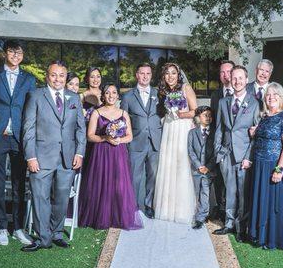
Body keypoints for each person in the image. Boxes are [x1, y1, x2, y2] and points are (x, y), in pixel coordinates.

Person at [21, 61, 86, 251]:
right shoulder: (35, 96)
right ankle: (43, 238)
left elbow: (80, 129)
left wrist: (79, 152)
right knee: (40, 197)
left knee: (62, 198)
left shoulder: (74, 98)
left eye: (61, 75)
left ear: (66, 77)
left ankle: (57, 233)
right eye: (53, 75)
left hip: (68, 157)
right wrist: (30, 156)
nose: (57, 79)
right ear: (46, 76)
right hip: (41, 157)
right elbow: (28, 128)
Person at [0, 40, 37, 246]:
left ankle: (18, 228)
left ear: (22, 55)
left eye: (19, 52)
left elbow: (32, 110)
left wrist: (31, 137)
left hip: (20, 138)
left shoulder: (29, 79)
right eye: (12, 52)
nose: (15, 55)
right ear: (5, 53)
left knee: (19, 184)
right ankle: (2, 227)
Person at [78, 84, 143, 230]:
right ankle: (101, 216)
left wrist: (119, 140)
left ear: (118, 96)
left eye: (114, 92)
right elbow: (90, 136)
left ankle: (117, 216)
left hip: (118, 153)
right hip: (101, 153)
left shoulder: (123, 113)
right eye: (108, 93)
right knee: (101, 183)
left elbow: (130, 136)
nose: (111, 95)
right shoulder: (97, 113)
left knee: (119, 184)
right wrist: (105, 138)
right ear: (103, 95)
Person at [213, 65, 260, 241]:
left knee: (243, 192)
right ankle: (229, 224)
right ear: (230, 80)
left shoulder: (255, 103)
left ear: (246, 80)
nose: (237, 81)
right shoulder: (223, 102)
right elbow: (219, 128)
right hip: (226, 154)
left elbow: (256, 134)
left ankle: (242, 228)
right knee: (230, 191)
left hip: (243, 156)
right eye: (234, 78)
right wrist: (218, 151)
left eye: (241, 78)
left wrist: (249, 157)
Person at [248, 83, 283, 250]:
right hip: (260, 165)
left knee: (274, 203)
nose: (271, 97)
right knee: (262, 200)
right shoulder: (265, 116)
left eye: (275, 94)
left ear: (281, 97)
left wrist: (279, 169)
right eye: (268, 94)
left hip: (275, 164)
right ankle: (260, 236)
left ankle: (273, 239)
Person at [154, 63, 198, 224]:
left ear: (178, 75)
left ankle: (181, 210)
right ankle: (166, 208)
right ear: (163, 76)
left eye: (173, 73)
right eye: (167, 73)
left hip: (182, 128)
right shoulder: (164, 91)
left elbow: (196, 111)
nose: (170, 76)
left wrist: (182, 114)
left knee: (181, 166)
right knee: (168, 165)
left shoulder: (186, 88)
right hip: (169, 128)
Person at [120, 63, 162, 218]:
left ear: (151, 76)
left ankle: (149, 205)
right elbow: (122, 121)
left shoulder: (160, 94)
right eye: (142, 73)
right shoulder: (127, 96)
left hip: (155, 142)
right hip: (136, 142)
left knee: (153, 175)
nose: (145, 76)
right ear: (136, 75)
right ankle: (132, 206)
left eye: (148, 74)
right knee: (134, 176)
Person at [209, 60, 234, 221]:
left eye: (229, 72)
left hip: (236, 145)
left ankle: (231, 212)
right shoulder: (216, 95)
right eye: (222, 72)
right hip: (219, 144)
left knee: (232, 181)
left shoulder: (244, 94)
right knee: (218, 179)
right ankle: (219, 207)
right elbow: (213, 122)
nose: (226, 75)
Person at [188, 106, 216, 229]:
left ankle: (201, 217)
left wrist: (208, 167)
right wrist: (199, 165)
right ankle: (197, 213)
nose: (208, 117)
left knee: (205, 191)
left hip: (209, 169)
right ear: (198, 117)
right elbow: (190, 150)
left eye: (210, 115)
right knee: (196, 192)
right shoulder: (192, 133)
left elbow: (217, 151)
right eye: (205, 115)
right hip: (196, 168)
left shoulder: (215, 132)